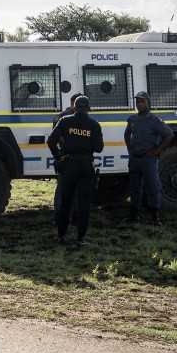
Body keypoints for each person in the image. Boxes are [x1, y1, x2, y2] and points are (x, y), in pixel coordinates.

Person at [48, 95, 103, 247]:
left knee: (66, 201)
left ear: (74, 107)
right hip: (86, 165)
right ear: (89, 108)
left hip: (68, 164)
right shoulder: (94, 124)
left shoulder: (65, 121)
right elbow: (99, 148)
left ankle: (61, 236)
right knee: (84, 202)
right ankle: (81, 238)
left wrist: (58, 157)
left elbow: (51, 140)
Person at [123, 91, 174, 226]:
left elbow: (169, 135)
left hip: (148, 160)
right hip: (135, 160)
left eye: (142, 101)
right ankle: (134, 214)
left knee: (152, 187)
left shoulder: (154, 121)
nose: (139, 104)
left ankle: (155, 217)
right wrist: (129, 148)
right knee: (134, 188)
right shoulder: (132, 119)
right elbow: (127, 134)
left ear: (148, 103)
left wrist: (157, 150)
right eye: (138, 101)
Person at [53, 93, 84, 226]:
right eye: (77, 105)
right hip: (65, 157)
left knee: (77, 188)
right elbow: (55, 137)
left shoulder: (81, 117)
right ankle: (58, 217)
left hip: (78, 157)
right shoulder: (61, 118)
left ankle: (76, 216)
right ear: (72, 103)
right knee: (62, 188)